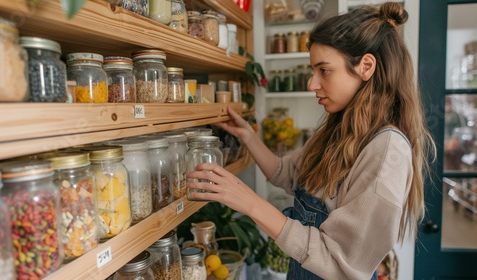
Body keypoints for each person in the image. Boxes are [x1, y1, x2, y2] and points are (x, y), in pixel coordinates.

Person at [186, 2, 436, 279]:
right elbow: (288, 174)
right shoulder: (338, 129)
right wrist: (249, 137)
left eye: (324, 70)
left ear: (366, 66)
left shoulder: (386, 151)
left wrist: (249, 202)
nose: (311, 84)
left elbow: (338, 262)